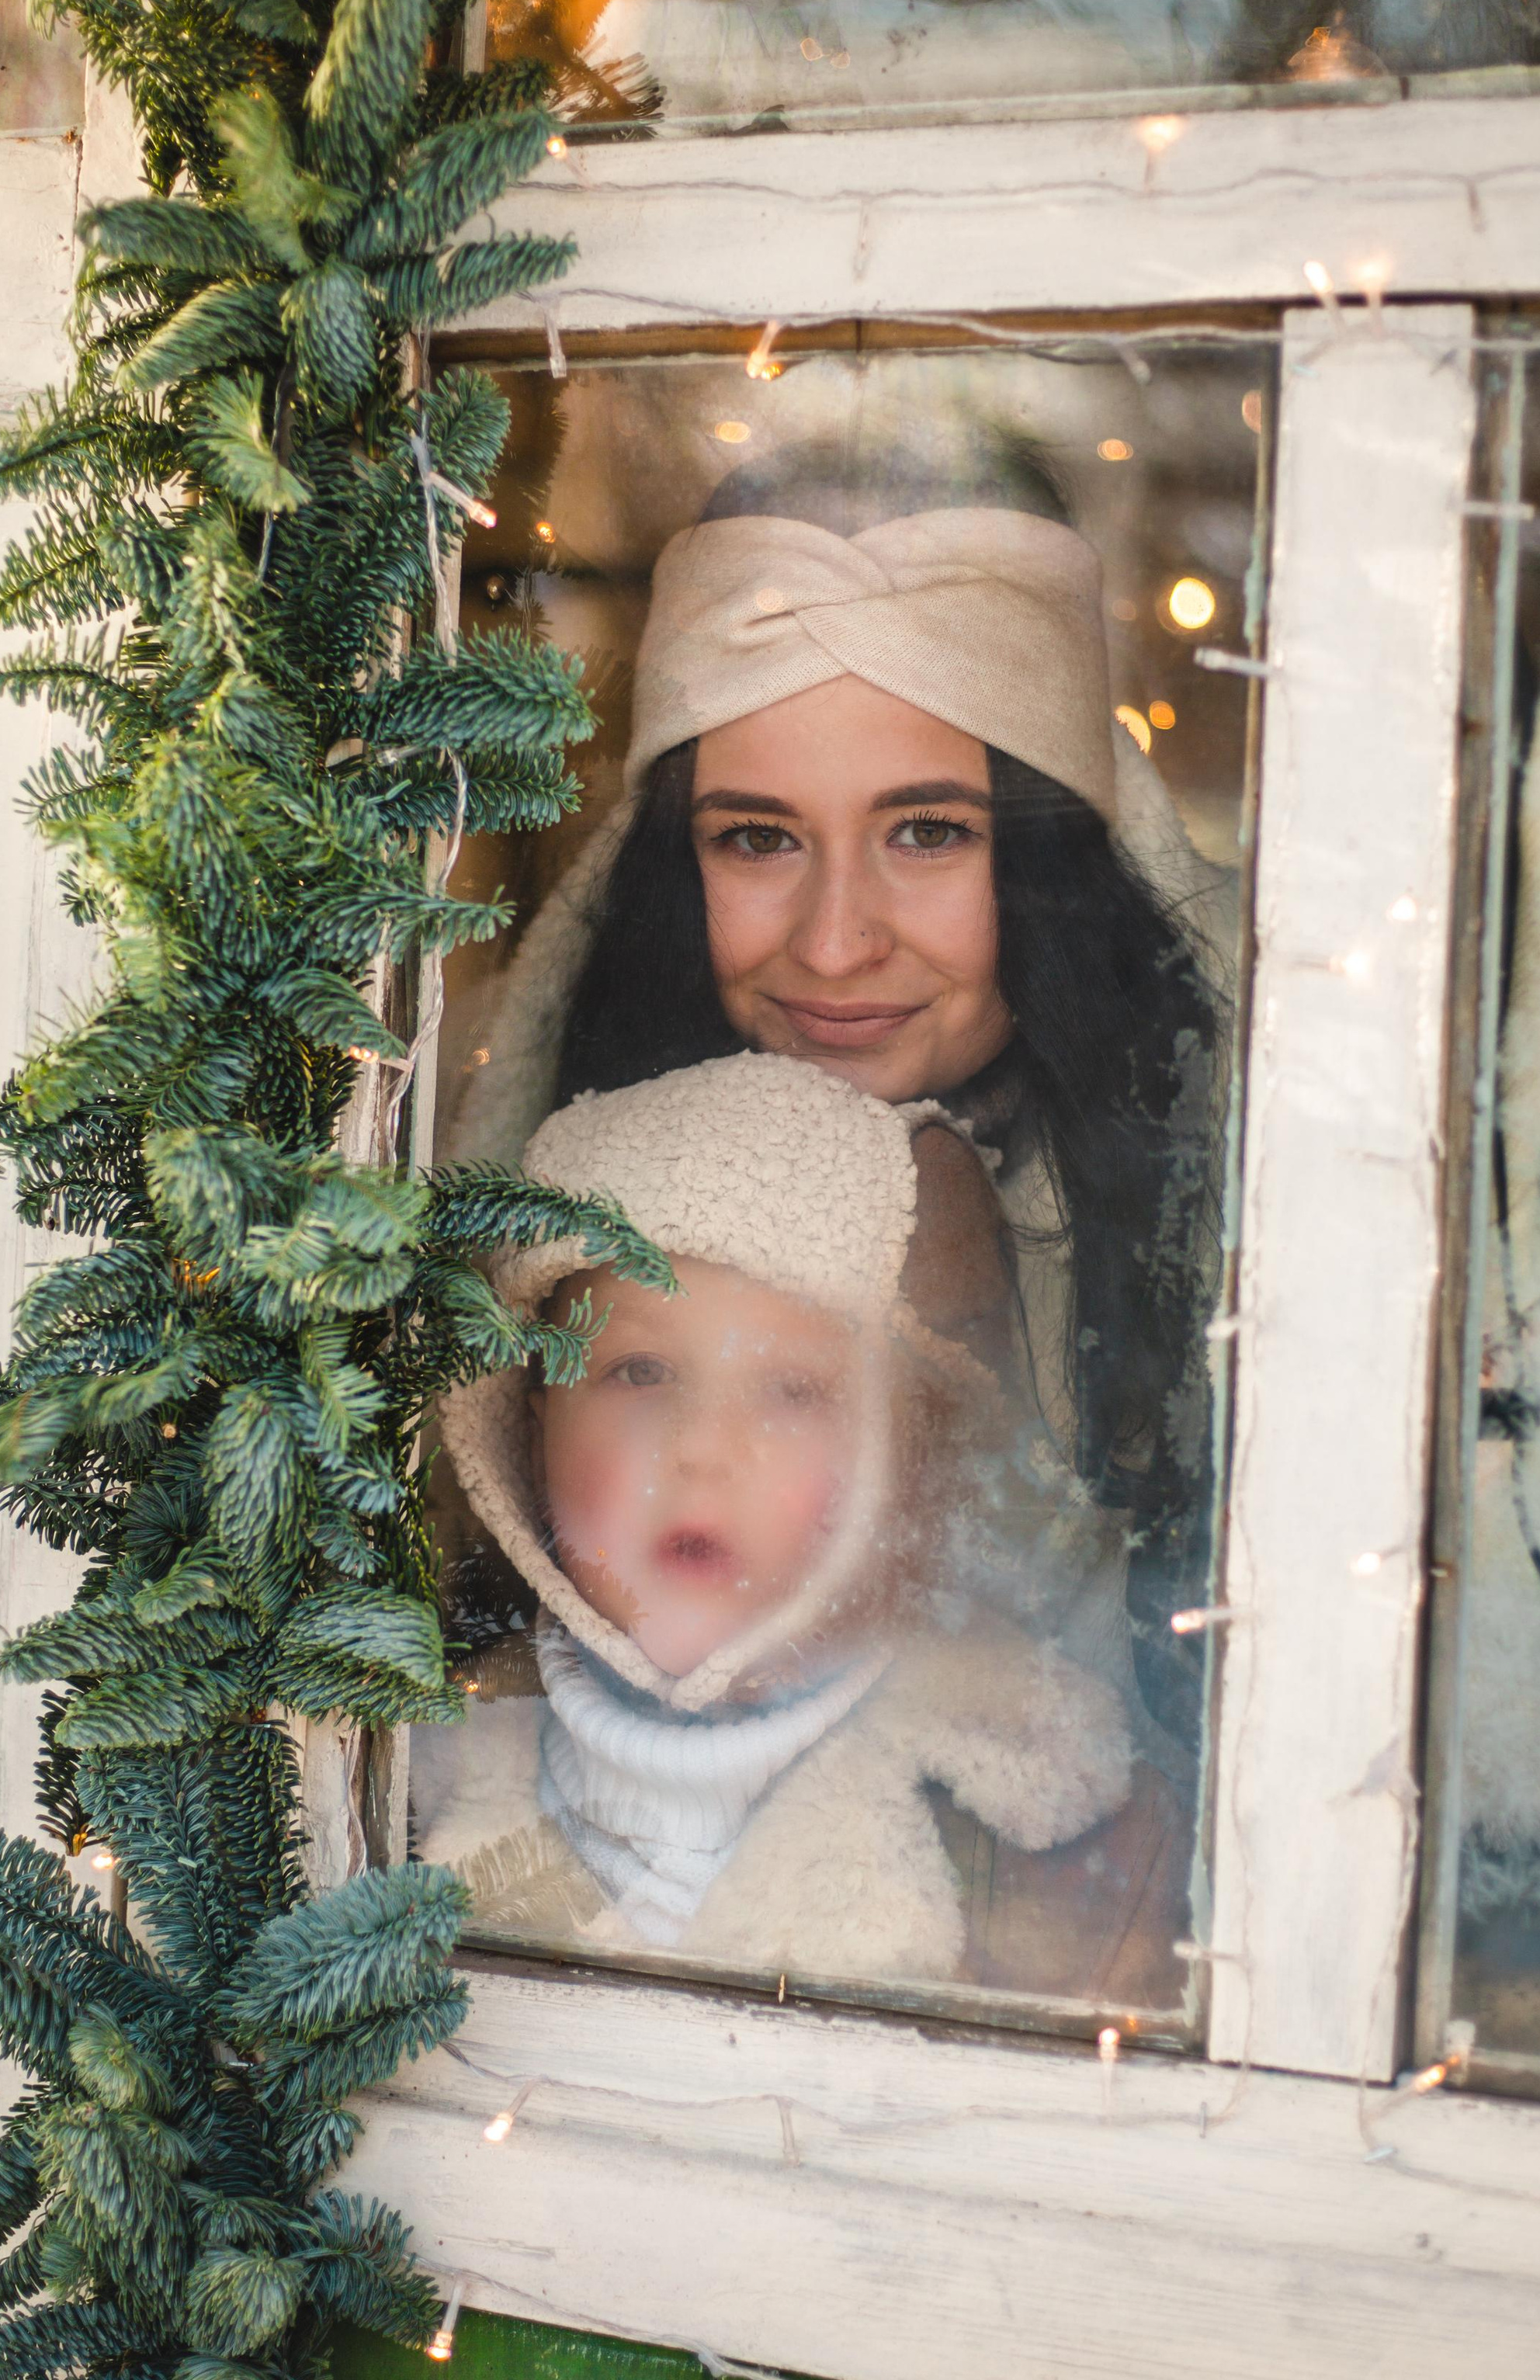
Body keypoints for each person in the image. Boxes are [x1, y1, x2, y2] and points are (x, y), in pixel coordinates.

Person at [449, 445, 1230, 1732]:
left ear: (1051, 861)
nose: (832, 944)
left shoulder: (1232, 1184)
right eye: (757, 838)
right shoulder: (550, 1158)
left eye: (928, 832)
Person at [418, 1052, 1132, 1986]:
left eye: (793, 1390)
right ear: (529, 1418)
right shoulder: (394, 1789)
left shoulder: (1050, 1827)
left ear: (906, 1459)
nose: (704, 1449)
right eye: (640, 1372)